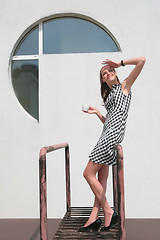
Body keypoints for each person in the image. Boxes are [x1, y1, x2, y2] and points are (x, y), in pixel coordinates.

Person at [78, 57, 146, 232]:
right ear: (102, 79)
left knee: (87, 174)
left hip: (110, 137)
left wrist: (120, 63)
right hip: (108, 134)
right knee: (101, 178)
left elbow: (142, 61)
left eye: (110, 71)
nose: (108, 73)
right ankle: (94, 218)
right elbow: (111, 122)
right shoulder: (109, 95)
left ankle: (108, 211)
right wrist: (99, 113)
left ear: (115, 73)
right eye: (104, 73)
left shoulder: (124, 87)